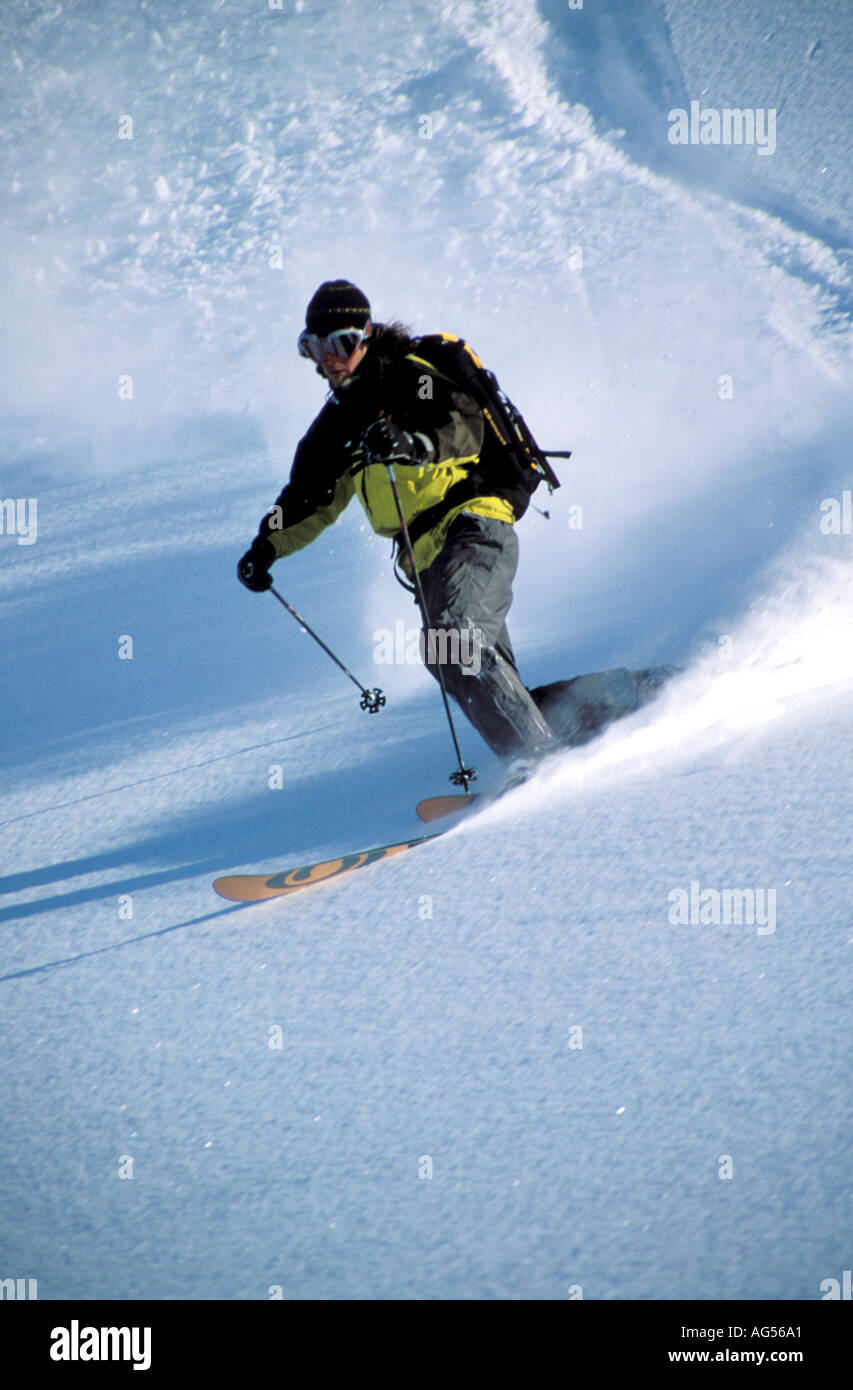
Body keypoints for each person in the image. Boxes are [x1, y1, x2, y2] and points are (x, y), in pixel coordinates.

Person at [238, 279, 557, 775]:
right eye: (314, 347)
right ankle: (602, 704)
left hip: (471, 522)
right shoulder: (334, 426)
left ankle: (541, 767)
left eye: (340, 342)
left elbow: (464, 426)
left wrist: (412, 444)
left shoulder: (411, 376)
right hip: (424, 557)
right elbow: (306, 499)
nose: (329, 358)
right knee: (465, 664)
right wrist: (266, 546)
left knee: (453, 643)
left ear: (365, 335)